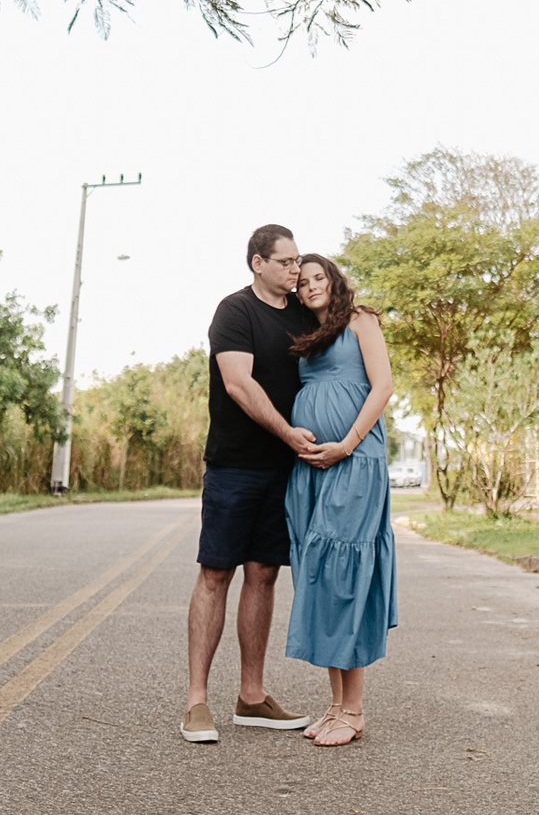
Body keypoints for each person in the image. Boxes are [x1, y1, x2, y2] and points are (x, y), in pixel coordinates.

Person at [180, 224, 318, 743]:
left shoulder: (304, 316)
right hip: (235, 465)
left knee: (263, 573)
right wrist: (290, 435)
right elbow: (239, 383)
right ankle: (197, 702)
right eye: (285, 261)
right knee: (216, 574)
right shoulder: (234, 311)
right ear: (258, 263)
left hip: (285, 471)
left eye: (298, 261)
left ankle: (252, 697)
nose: (295, 269)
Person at [285, 253, 397, 748]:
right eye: (303, 281)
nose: (310, 286)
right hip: (312, 469)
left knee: (346, 577)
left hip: (354, 461)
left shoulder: (360, 319)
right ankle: (335, 706)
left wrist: (345, 445)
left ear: (334, 278)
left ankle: (353, 710)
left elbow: (383, 387)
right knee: (323, 578)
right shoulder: (310, 336)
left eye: (318, 277)